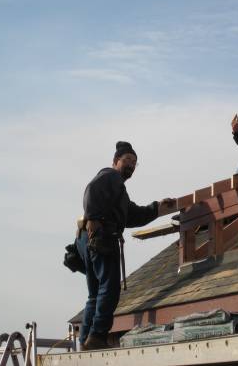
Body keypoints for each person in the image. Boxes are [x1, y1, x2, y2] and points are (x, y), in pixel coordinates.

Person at [76, 141, 174, 350]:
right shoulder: (110, 176)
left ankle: (86, 338)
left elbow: (132, 215)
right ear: (115, 161)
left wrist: (157, 208)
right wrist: (93, 218)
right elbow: (91, 190)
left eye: (134, 163)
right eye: (127, 160)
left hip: (89, 237)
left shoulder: (118, 192)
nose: (131, 165)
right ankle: (98, 335)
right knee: (109, 289)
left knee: (95, 294)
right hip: (100, 235)